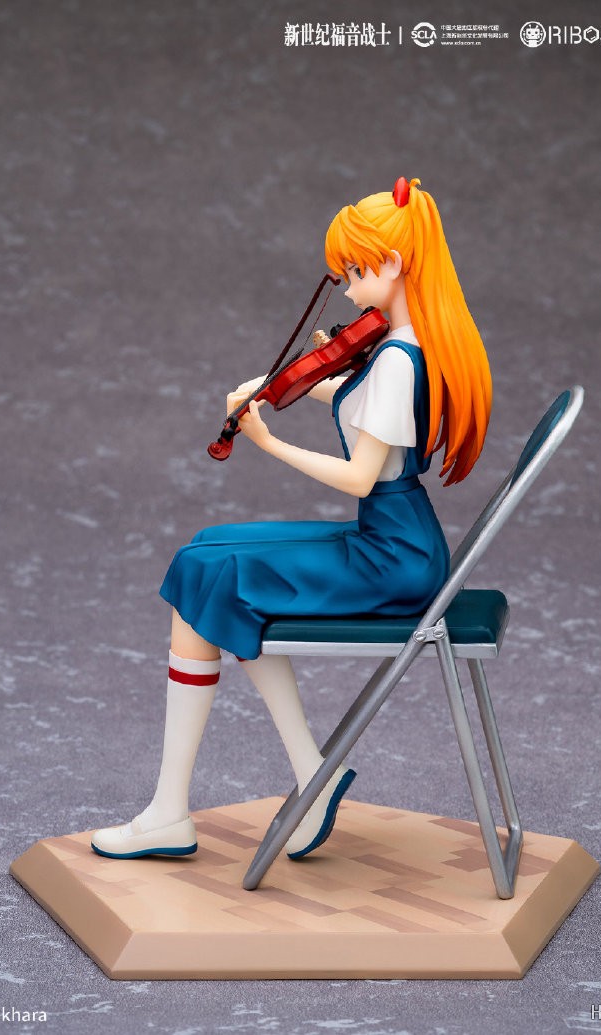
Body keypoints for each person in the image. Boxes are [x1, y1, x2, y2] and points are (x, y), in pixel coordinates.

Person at [91, 176, 492, 862]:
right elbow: (367, 405)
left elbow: (361, 476)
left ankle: (173, 812)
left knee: (210, 571)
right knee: (211, 553)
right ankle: (308, 772)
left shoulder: (399, 360)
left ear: (396, 263)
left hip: (391, 558)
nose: (348, 288)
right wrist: (297, 388)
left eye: (357, 271)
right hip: (396, 539)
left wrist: (268, 441)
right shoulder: (407, 344)